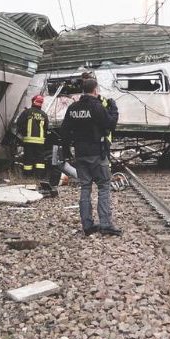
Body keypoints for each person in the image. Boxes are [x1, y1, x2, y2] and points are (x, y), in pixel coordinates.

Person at [61, 78, 121, 236]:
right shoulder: (97, 107)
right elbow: (110, 124)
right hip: (97, 153)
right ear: (95, 90)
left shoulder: (73, 108)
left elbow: (64, 131)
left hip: (80, 153)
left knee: (85, 187)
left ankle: (87, 225)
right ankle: (105, 224)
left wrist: (67, 151)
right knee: (103, 186)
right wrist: (113, 108)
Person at [15, 94, 55, 196]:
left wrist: (22, 133)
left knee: (28, 160)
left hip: (28, 140)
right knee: (40, 161)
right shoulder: (44, 115)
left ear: (33, 101)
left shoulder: (27, 112)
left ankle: (28, 177)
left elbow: (18, 124)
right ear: (41, 104)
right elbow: (46, 128)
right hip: (40, 142)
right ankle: (39, 177)